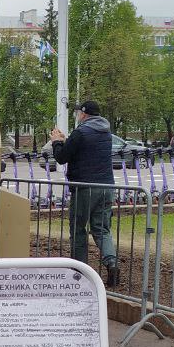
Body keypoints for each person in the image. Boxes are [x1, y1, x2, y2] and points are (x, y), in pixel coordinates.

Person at [49, 99, 120, 287]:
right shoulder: (106, 132)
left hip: (84, 188)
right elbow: (85, 149)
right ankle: (111, 264)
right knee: (102, 229)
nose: (77, 115)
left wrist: (56, 142)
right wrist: (67, 141)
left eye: (78, 112)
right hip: (106, 187)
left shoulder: (81, 132)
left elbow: (62, 157)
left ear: (84, 113)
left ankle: (79, 273)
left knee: (78, 230)